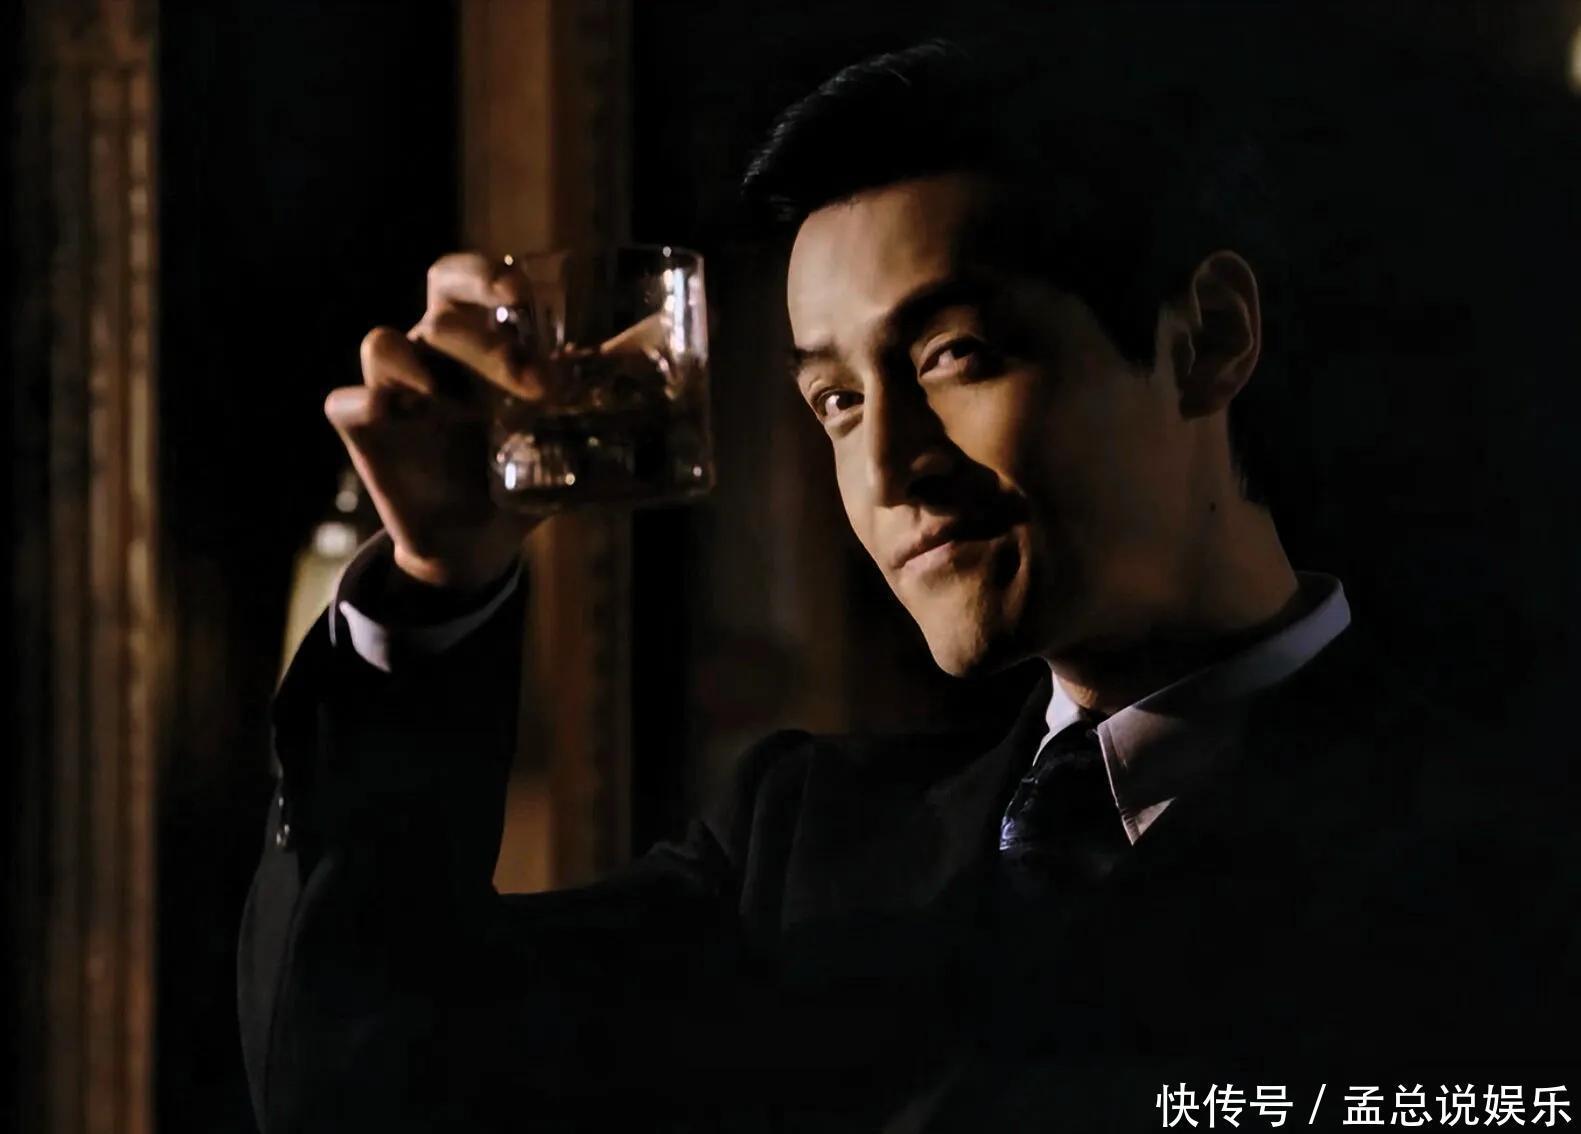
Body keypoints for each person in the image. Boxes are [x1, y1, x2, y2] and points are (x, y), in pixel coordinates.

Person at [238, 42, 1572, 1132]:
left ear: (1205, 339)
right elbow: (367, 1075)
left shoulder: (1508, 840)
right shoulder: (805, 849)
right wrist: (439, 579)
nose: (886, 468)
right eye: (833, 399)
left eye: (955, 355)